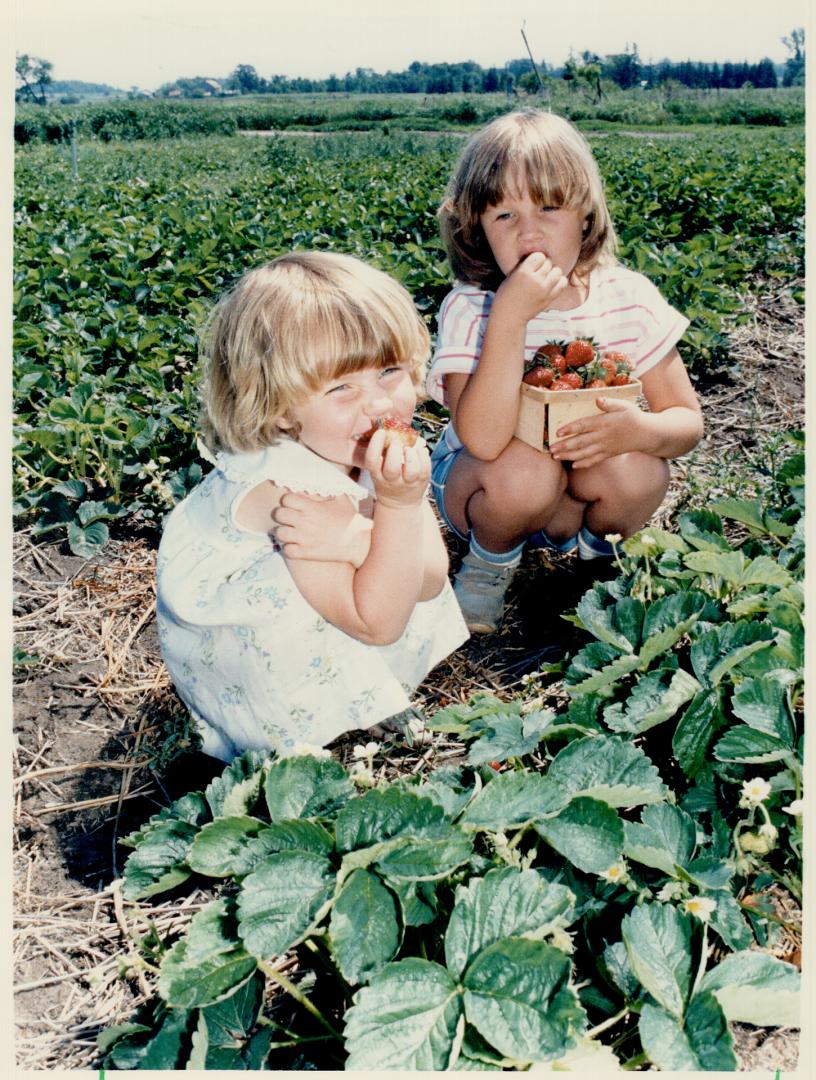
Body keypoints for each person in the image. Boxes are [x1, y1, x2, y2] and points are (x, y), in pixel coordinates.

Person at [156, 251, 468, 762]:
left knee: (389, 556)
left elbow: (430, 580)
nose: (378, 404)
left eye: (389, 371)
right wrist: (390, 511)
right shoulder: (290, 496)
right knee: (365, 573)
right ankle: (295, 733)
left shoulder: (353, 442)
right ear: (280, 410)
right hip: (249, 653)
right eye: (342, 387)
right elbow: (377, 623)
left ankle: (363, 693)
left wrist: (372, 527)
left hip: (343, 588)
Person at [427, 110, 704, 633]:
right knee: (526, 471)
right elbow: (483, 441)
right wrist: (511, 313)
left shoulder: (627, 297)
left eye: (549, 207)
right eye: (503, 216)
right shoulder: (473, 306)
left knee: (641, 467)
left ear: (586, 216)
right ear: (477, 229)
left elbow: (687, 423)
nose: (528, 231)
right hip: (487, 493)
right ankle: (487, 566)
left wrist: (639, 430)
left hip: (573, 505)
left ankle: (596, 561)